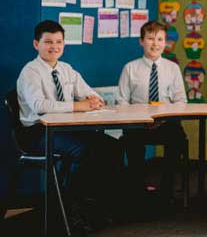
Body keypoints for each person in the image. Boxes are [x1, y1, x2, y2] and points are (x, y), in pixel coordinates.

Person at [16, 20, 123, 234]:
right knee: (81, 150)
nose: (54, 46)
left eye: (59, 42)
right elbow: (39, 106)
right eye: (48, 42)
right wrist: (78, 105)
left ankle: (99, 206)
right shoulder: (31, 72)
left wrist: (94, 100)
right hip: (38, 132)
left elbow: (88, 92)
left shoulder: (66, 69)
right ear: (36, 44)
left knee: (111, 146)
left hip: (65, 129)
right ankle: (70, 210)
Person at [116, 21, 188, 209]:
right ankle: (137, 190)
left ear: (165, 43)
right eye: (150, 39)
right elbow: (121, 102)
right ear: (141, 41)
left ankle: (167, 189)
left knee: (177, 139)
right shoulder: (130, 68)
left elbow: (181, 101)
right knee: (132, 142)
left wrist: (165, 116)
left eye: (160, 39)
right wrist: (139, 120)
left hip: (166, 123)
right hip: (138, 124)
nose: (155, 44)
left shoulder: (172, 69)